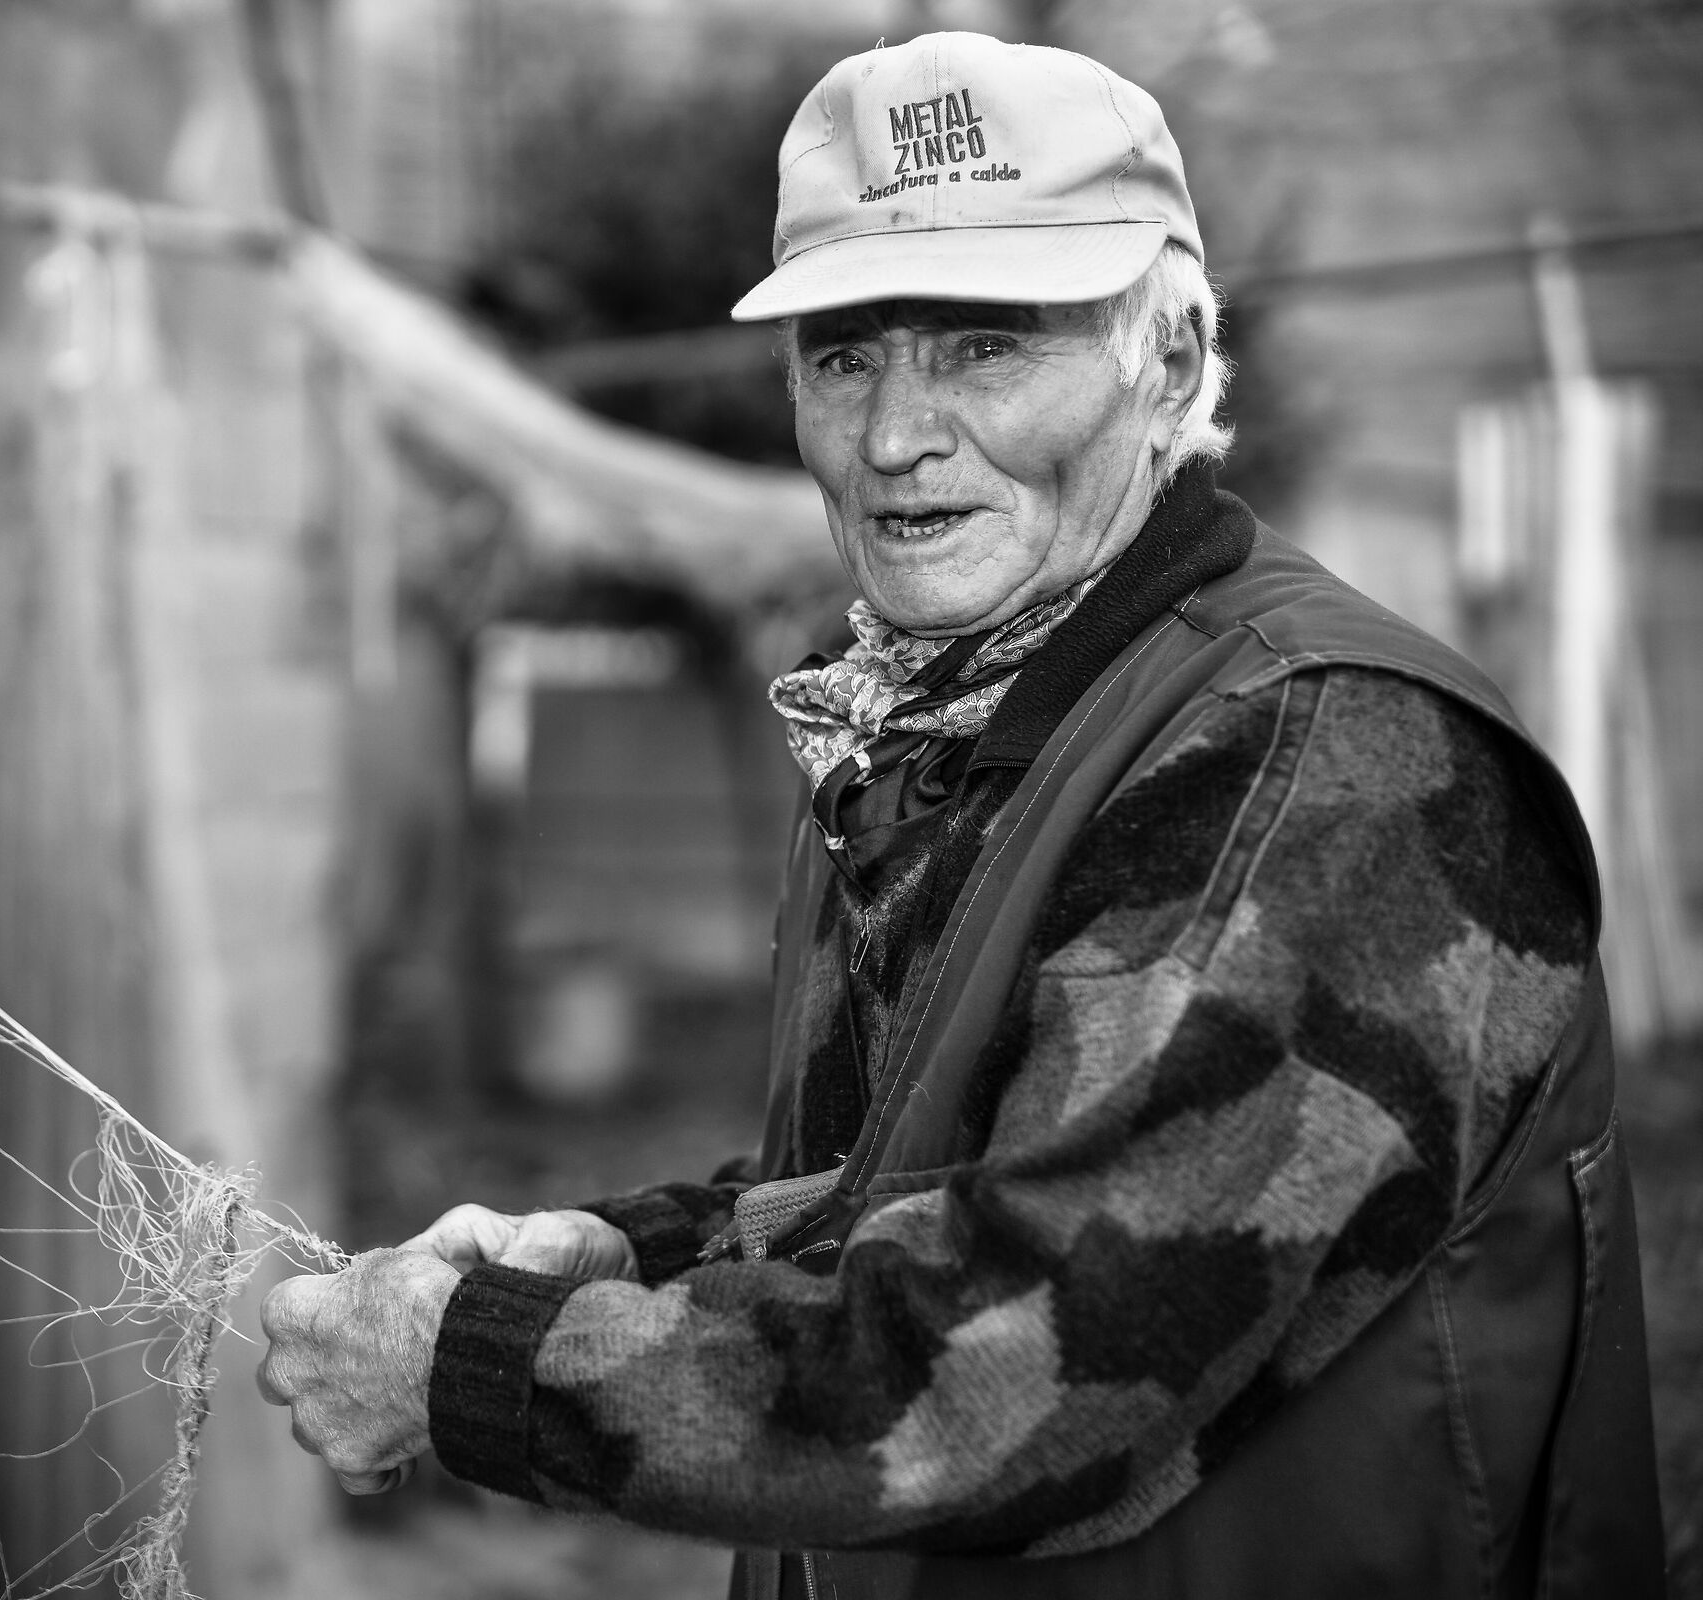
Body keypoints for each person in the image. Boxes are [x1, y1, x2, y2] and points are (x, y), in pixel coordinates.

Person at [256, 32, 1665, 1598]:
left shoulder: (1328, 760)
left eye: (987, 347)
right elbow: (933, 1188)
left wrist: (482, 1365)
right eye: (845, 354)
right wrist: (632, 1256)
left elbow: (1032, 1354)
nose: (893, 435)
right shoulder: (944, 718)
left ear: (1174, 365)